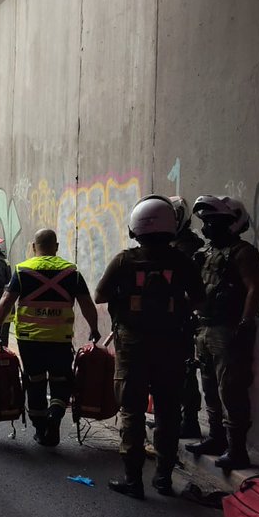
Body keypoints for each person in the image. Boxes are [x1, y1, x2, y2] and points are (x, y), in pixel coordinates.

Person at [95, 195, 205, 499]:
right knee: (169, 411)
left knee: (131, 411)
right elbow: (198, 300)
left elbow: (100, 295)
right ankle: (163, 479)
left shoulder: (124, 260)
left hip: (133, 346)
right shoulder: (182, 261)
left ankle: (133, 480)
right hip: (172, 345)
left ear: (135, 229)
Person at [0, 229, 101, 446]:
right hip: (60, 338)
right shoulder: (72, 272)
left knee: (35, 381)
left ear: (34, 246)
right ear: (57, 246)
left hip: (29, 339)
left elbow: (5, 302)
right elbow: (87, 304)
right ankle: (56, 414)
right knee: (61, 379)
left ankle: (41, 429)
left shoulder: (23, 270)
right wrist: (94, 328)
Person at [185, 195, 259, 470]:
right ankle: (217, 438)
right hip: (205, 326)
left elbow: (254, 288)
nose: (207, 228)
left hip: (228, 329)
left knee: (231, 389)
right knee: (209, 386)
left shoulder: (243, 252)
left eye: (213, 222)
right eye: (205, 222)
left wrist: (245, 323)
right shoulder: (205, 253)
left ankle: (237, 449)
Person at [169, 196, 206, 439]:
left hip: (184, 318)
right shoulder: (174, 244)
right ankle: (175, 417)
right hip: (173, 316)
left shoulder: (187, 248)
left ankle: (189, 420)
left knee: (184, 369)